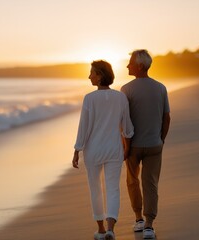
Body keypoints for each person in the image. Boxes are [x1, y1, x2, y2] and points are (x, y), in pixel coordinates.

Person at [73, 60, 134, 240]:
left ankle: (100, 230)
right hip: (114, 148)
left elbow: (84, 127)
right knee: (113, 188)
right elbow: (127, 127)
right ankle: (110, 229)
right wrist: (127, 147)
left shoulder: (89, 99)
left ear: (100, 75)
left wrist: (77, 149)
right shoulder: (120, 97)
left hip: (93, 150)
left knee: (95, 188)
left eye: (92, 72)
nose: (89, 76)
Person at [121, 50, 171, 239]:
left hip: (133, 146)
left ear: (140, 66)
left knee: (132, 181)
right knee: (151, 184)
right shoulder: (161, 87)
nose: (127, 66)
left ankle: (138, 219)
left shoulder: (126, 89)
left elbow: (124, 122)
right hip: (154, 145)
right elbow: (167, 118)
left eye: (130, 63)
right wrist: (161, 139)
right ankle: (149, 225)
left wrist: (125, 146)